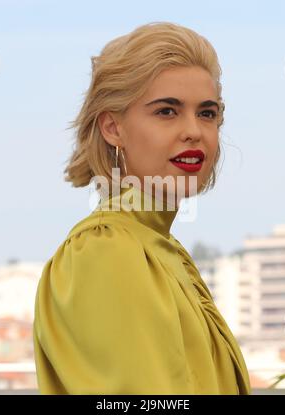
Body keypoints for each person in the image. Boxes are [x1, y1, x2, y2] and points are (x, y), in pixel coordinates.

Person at [33, 21, 251, 395]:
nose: (194, 132)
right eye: (167, 111)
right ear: (113, 128)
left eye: (207, 113)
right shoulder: (106, 250)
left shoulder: (161, 249)